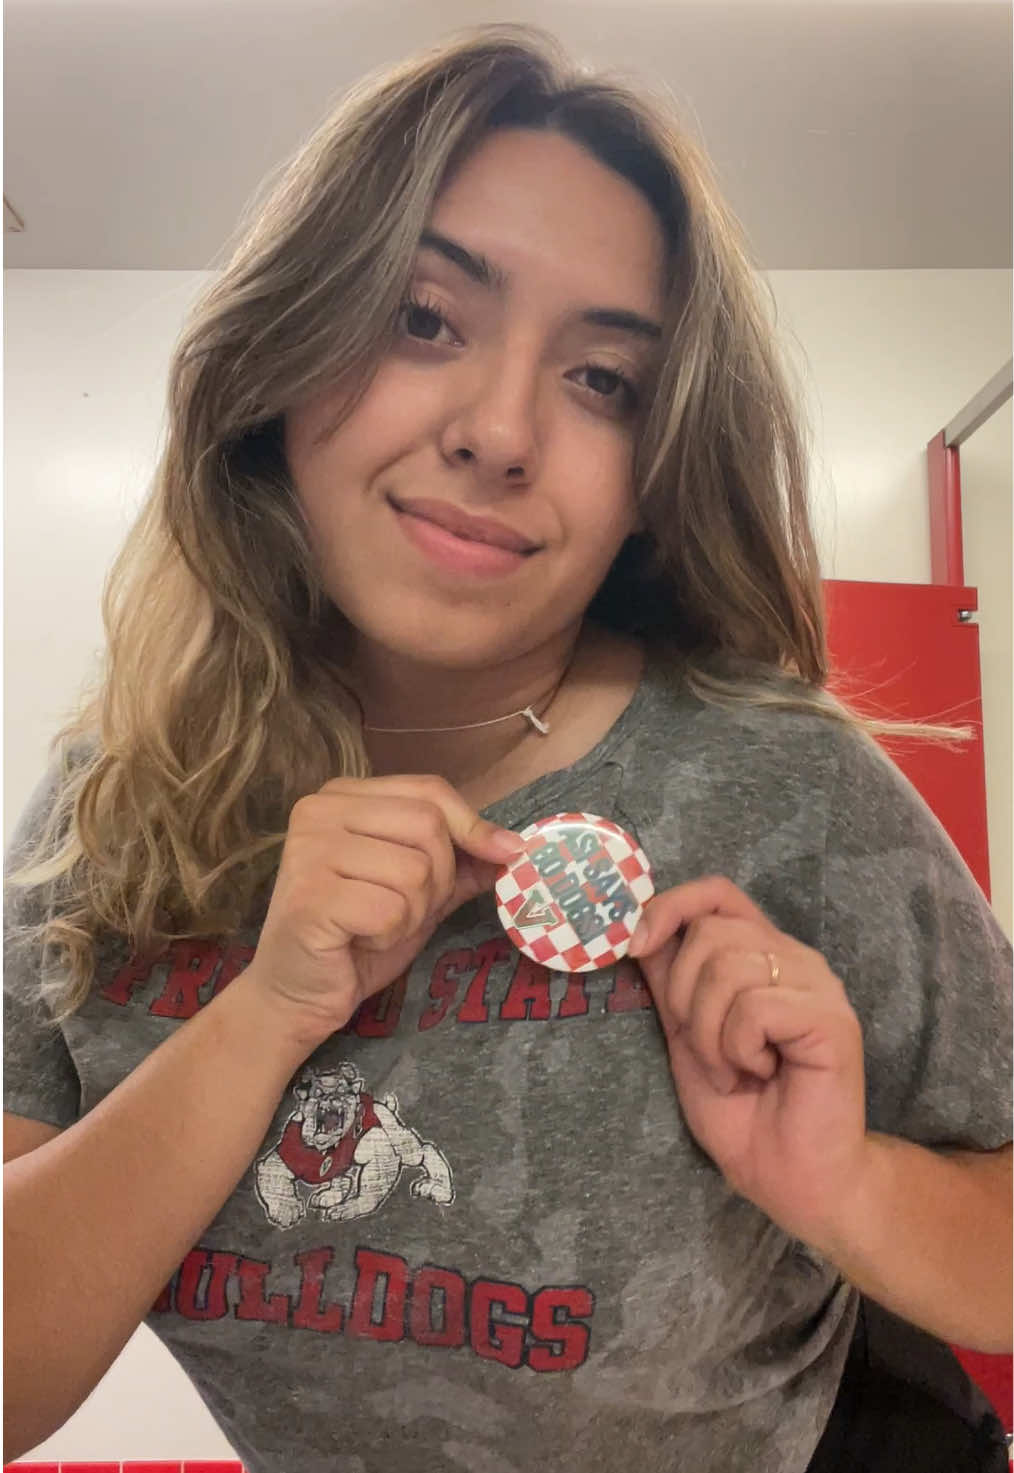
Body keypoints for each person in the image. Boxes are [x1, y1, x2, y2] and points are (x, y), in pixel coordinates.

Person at [3, 23, 1011, 1473]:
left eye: (602, 378)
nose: (500, 429)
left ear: (652, 478)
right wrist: (265, 1009)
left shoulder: (788, 794)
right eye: (424, 318)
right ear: (283, 360)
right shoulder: (114, 812)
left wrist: (846, 1182)